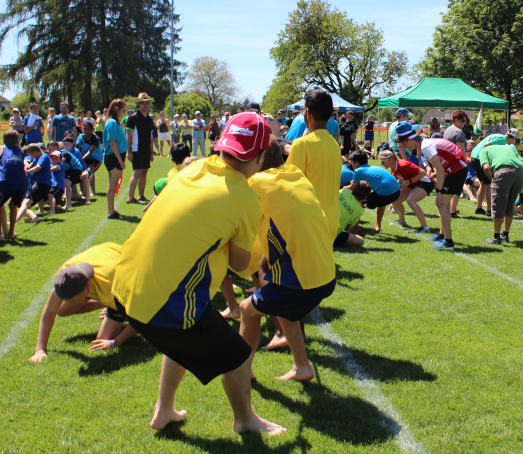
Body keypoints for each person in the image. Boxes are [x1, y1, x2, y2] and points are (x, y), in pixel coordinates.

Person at [111, 112, 285, 435]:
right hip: (164, 301)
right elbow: (239, 263)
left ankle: (163, 410)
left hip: (124, 287)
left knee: (183, 337)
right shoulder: (246, 198)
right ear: (260, 157)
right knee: (237, 355)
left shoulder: (193, 168)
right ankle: (245, 421)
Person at [239, 138, 336, 383]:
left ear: (256, 160)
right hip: (326, 274)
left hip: (301, 281)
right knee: (285, 309)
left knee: (247, 310)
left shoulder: (256, 183)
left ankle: (242, 370)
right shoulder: (295, 173)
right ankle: (302, 366)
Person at [30, 243, 138, 362]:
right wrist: (40, 349)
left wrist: (114, 342)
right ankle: (108, 304)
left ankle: (117, 308)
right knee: (61, 309)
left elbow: (141, 317)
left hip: (127, 270)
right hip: (106, 257)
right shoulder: (66, 276)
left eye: (73, 300)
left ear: (87, 287)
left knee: (103, 338)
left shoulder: (112, 285)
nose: (69, 303)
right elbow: (50, 310)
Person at [396, 121, 468, 250]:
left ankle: (448, 242)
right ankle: (442, 235)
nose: (404, 146)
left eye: (403, 143)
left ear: (409, 140)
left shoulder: (425, 147)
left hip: (457, 169)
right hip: (454, 168)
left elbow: (439, 170)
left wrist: (438, 191)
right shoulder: (425, 143)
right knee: (442, 204)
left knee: (441, 204)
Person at [285, 89, 341, 241]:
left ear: (308, 113)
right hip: (332, 219)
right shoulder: (334, 145)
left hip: (309, 220)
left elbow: (288, 185)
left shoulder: (302, 144)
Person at [479, 132, 523, 244]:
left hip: (503, 172)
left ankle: (496, 237)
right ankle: (505, 235)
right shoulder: (509, 148)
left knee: (498, 204)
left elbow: (486, 167)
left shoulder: (484, 150)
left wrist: (493, 179)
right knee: (510, 203)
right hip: (519, 174)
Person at [379, 149, 433, 233]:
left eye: (383, 162)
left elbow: (423, 173)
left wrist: (408, 182)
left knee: (411, 200)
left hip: (426, 182)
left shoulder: (403, 164)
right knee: (395, 200)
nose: (381, 164)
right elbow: (402, 178)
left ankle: (425, 228)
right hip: (413, 183)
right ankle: (402, 221)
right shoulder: (394, 167)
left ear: (390, 160)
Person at [350, 150, 401, 232]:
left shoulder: (358, 171)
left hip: (385, 194)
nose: (351, 164)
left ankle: (353, 228)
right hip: (396, 192)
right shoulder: (374, 167)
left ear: (357, 163)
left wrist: (343, 187)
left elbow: (352, 187)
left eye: (352, 162)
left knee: (360, 203)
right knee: (381, 203)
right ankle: (378, 225)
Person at [0, 130, 27, 239]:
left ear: (4, 141)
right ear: (17, 142)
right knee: (13, 205)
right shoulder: (20, 150)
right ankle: (11, 232)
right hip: (22, 183)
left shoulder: (0, 148)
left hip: (6, 183)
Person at [14, 144, 53, 225]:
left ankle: (14, 222)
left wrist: (26, 172)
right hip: (44, 185)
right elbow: (29, 166)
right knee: (25, 206)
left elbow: (38, 167)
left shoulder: (43, 157)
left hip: (40, 184)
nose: (31, 157)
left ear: (35, 152)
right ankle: (35, 218)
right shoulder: (37, 158)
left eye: (31, 155)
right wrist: (25, 167)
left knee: (25, 203)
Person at [102, 99, 128, 220]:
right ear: (116, 109)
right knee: (112, 185)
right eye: (123, 110)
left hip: (116, 156)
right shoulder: (111, 122)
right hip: (113, 157)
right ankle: (111, 211)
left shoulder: (114, 122)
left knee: (113, 184)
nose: (124, 113)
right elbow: (112, 142)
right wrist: (120, 161)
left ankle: (112, 210)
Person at [470, 132, 507, 215]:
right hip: (480, 158)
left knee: (483, 184)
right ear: (513, 138)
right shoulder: (502, 139)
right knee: (488, 184)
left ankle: (479, 208)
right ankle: (489, 210)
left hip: (474, 156)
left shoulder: (498, 136)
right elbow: (487, 145)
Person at [444, 110, 468, 216]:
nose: (464, 124)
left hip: (447, 162)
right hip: (457, 164)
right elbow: (460, 150)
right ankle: (452, 211)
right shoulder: (459, 132)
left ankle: (446, 209)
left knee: (448, 188)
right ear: (456, 119)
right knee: (457, 189)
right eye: (463, 121)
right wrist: (465, 163)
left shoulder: (447, 130)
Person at [335, 181, 370, 247]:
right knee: (360, 240)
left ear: (354, 188)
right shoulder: (359, 210)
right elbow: (349, 227)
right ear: (365, 198)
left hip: (319, 224)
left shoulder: (344, 191)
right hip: (332, 234)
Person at [76, 119, 102, 195]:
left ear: (92, 130)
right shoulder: (81, 137)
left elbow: (90, 152)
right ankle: (82, 191)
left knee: (90, 171)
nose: (86, 131)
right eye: (84, 129)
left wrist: (80, 160)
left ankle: (93, 192)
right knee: (81, 171)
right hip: (84, 158)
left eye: (88, 129)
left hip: (96, 158)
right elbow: (77, 149)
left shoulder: (95, 138)